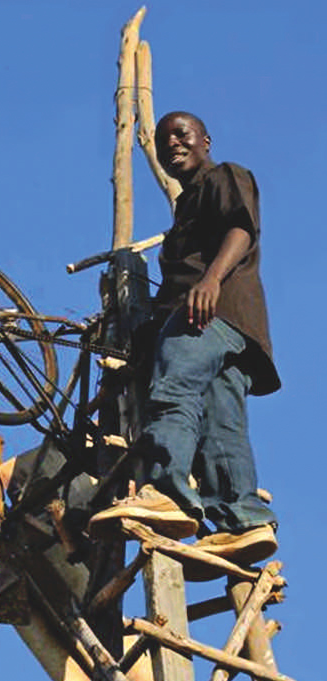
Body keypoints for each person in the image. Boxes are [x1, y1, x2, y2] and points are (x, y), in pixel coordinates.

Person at [89, 111, 279, 566]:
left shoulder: (224, 176)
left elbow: (241, 228)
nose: (171, 143)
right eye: (162, 141)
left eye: (181, 134)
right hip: (232, 328)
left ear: (205, 140)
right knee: (221, 422)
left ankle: (167, 493)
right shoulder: (186, 208)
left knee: (173, 388)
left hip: (209, 312)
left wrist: (210, 281)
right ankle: (242, 520)